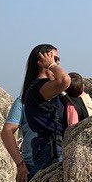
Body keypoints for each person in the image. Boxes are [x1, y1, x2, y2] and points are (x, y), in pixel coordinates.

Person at [21, 44, 71, 174]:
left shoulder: (43, 87)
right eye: (55, 58)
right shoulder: (38, 87)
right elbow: (65, 80)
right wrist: (51, 65)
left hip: (52, 147)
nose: (58, 62)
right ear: (41, 61)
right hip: (51, 149)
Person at [0, 96, 36, 182]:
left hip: (33, 164)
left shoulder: (23, 99)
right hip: (31, 166)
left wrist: (20, 164)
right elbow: (7, 132)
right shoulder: (23, 100)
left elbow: (7, 131)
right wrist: (20, 164)